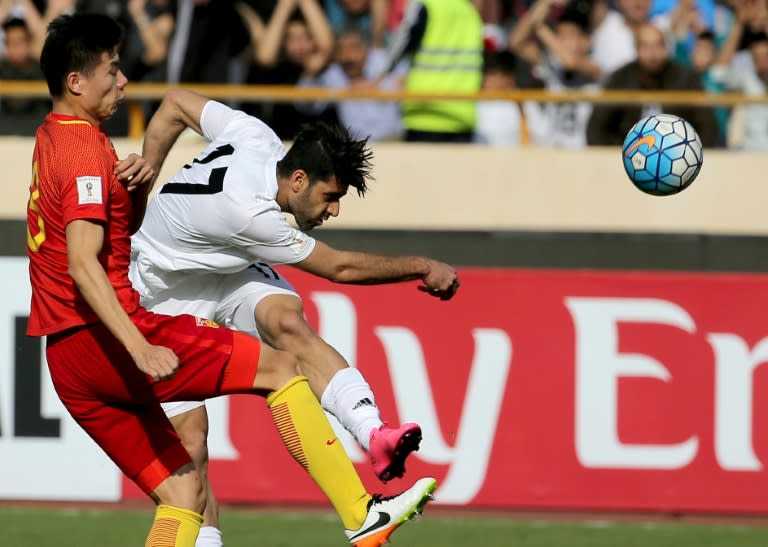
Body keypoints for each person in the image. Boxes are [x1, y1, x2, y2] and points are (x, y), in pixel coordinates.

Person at [28, 12, 436, 547]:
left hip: (67, 360)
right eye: (111, 70)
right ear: (76, 82)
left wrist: (134, 182)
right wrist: (138, 345)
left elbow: (81, 237)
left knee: (183, 493)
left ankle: (367, 452)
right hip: (110, 335)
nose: (123, 80)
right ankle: (363, 516)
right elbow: (83, 263)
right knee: (281, 368)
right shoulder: (85, 150)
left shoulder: (52, 138)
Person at [130, 91, 460, 546]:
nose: (335, 209)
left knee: (288, 324)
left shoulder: (255, 135)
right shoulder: (252, 215)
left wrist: (146, 177)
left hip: (223, 264)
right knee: (192, 446)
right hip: (159, 292)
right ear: (299, 180)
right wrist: (422, 266)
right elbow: (339, 268)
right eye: (331, 197)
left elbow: (174, 105)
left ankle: (374, 434)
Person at [586, 22, 719, 147]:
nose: (652, 53)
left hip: (676, 157)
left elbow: (708, 126)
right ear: (637, 49)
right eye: (646, 46)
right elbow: (596, 126)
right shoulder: (620, 79)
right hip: (628, 155)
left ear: (665, 48)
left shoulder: (686, 79)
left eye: (658, 45)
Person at [380, 0, 484, 143]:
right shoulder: (469, 10)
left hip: (424, 115)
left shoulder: (425, 4)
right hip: (462, 116)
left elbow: (402, 42)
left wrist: (378, 77)